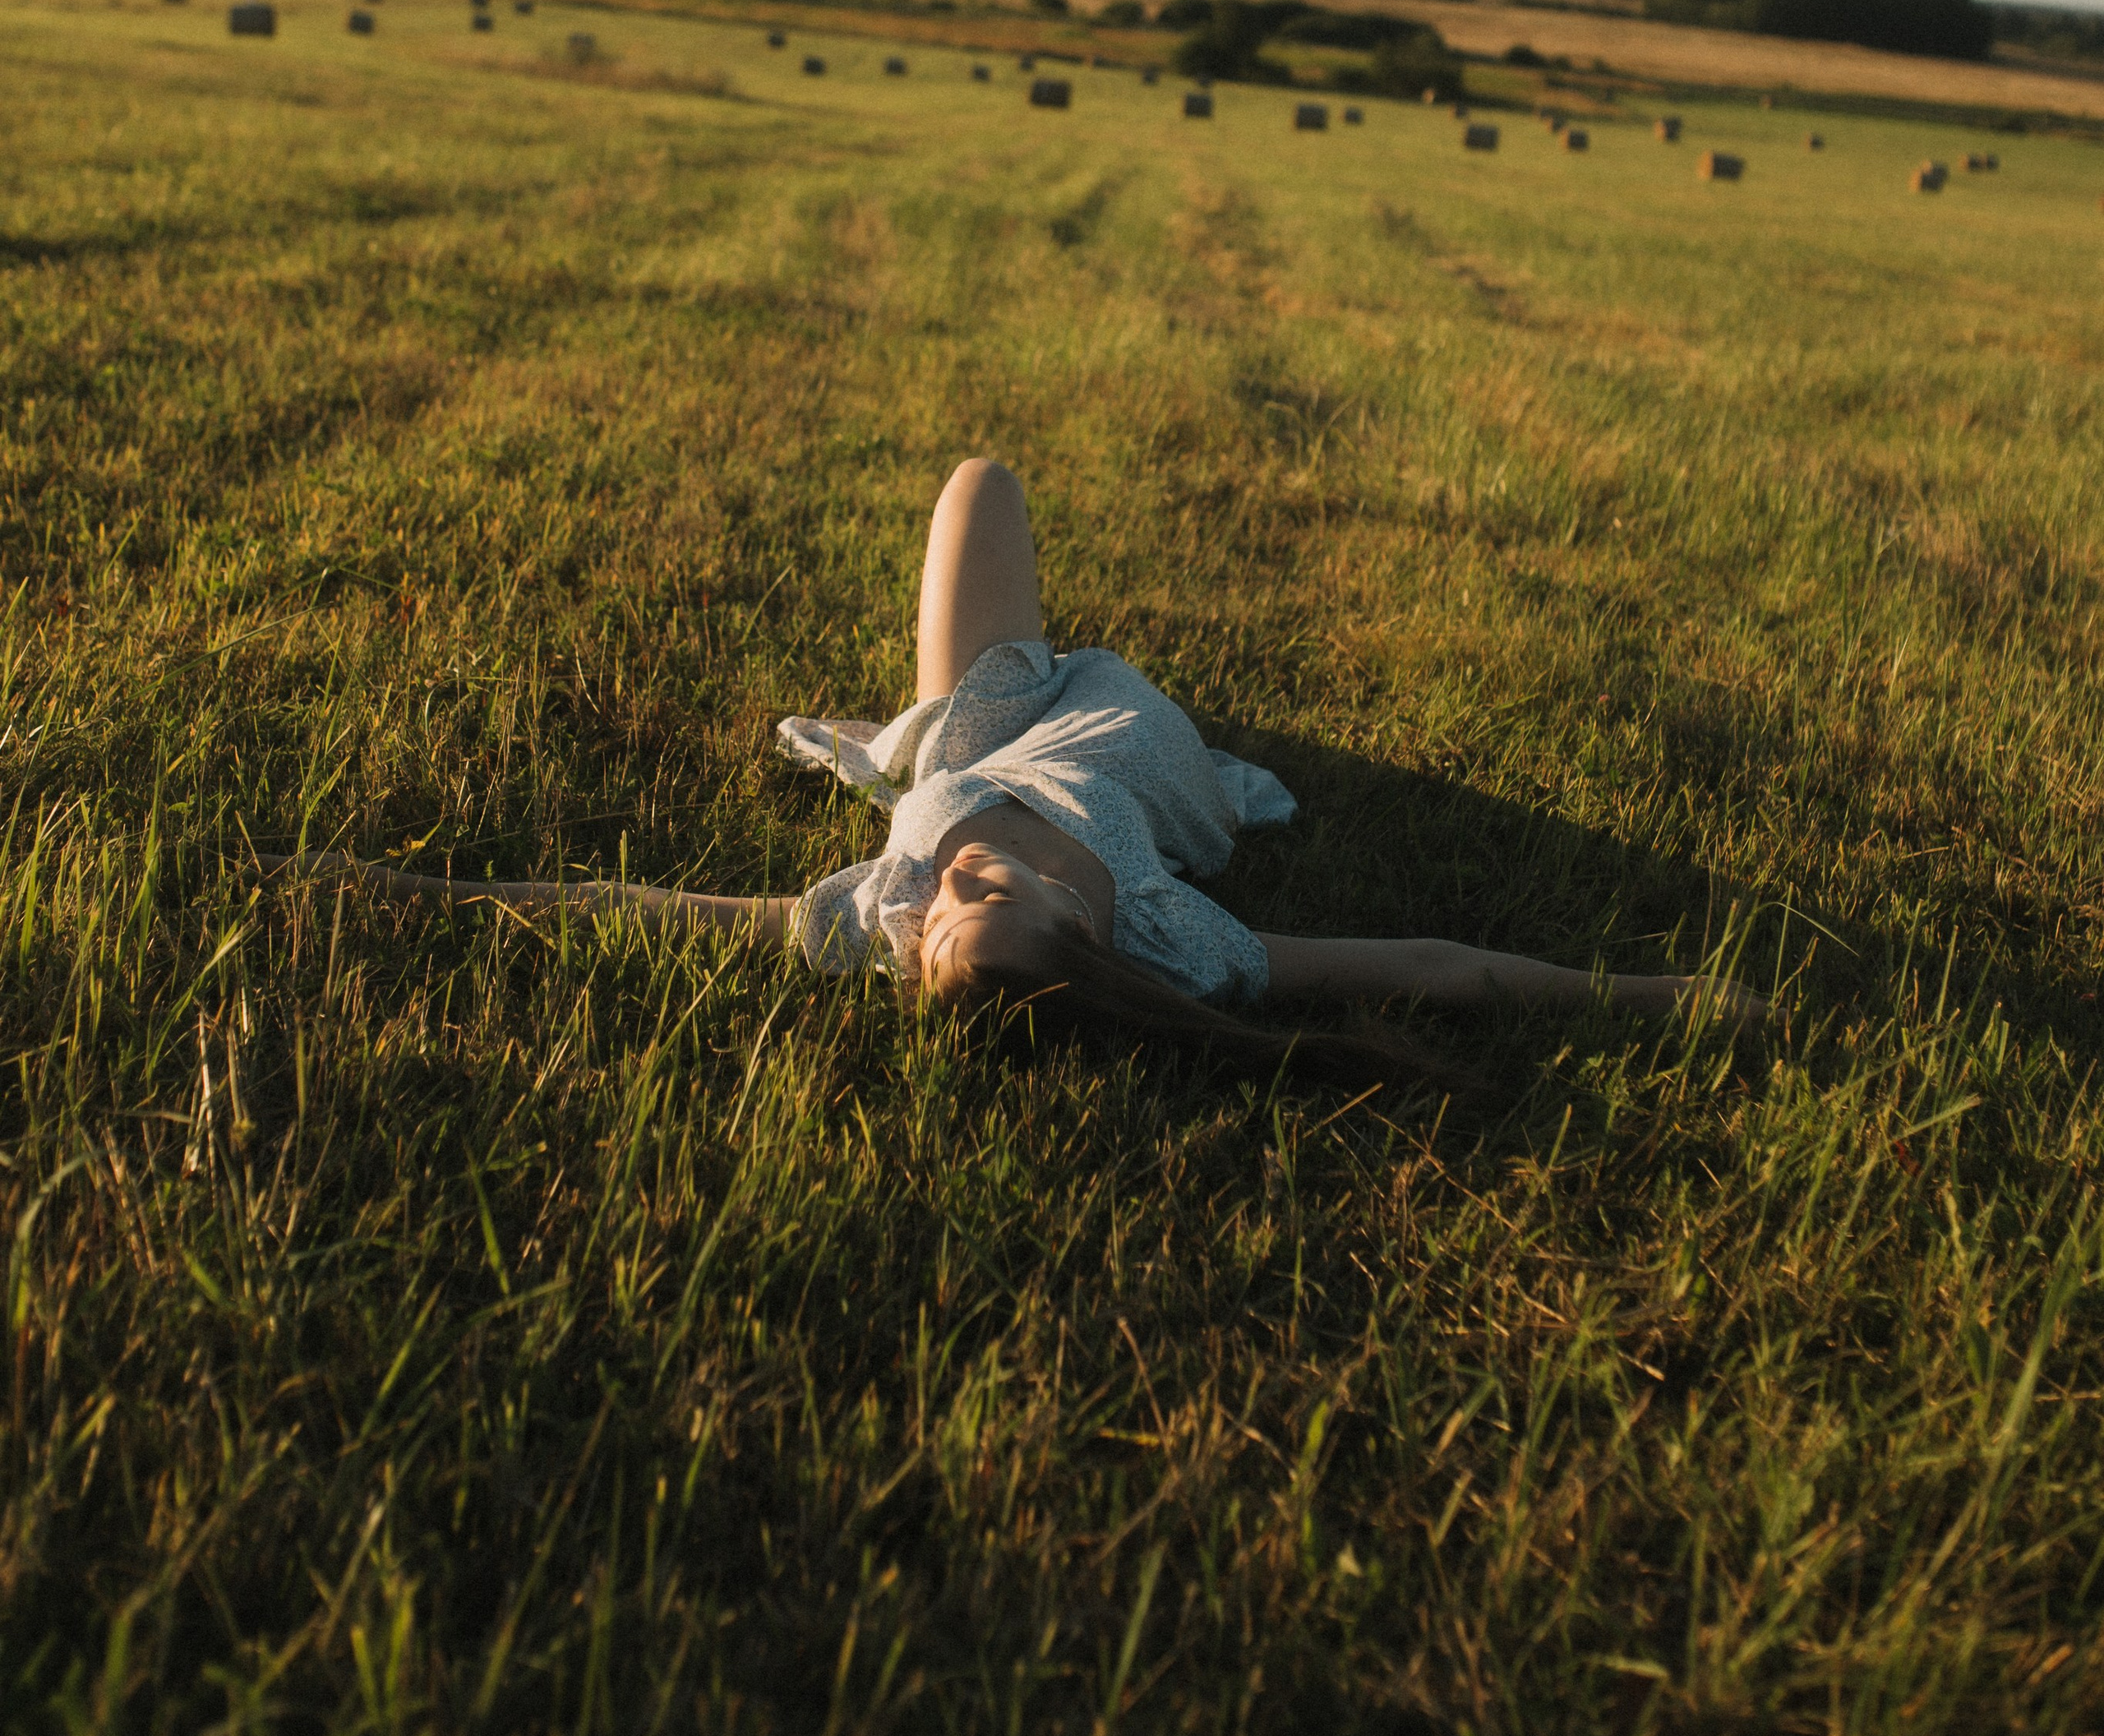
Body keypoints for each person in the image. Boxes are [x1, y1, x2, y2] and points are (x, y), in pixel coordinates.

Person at [267, 457, 1749, 1092]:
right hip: (1126, 729)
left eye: (937, 921)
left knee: (977, 484)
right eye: (986, 894)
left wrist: (407, 888)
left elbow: (637, 902)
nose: (943, 891)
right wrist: (1658, 1000)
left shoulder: (888, 918)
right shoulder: (1194, 946)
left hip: (984, 720)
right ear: (1090, 930)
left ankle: (901, 737)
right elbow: (1428, 964)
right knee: (994, 499)